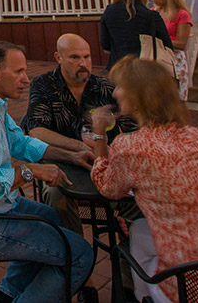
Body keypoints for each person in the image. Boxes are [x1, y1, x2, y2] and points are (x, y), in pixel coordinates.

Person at [90, 57, 198, 303]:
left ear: (139, 96)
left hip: (189, 287)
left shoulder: (129, 147)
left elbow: (108, 188)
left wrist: (99, 135)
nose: (115, 92)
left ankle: (142, 297)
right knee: (140, 229)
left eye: (120, 86)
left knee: (137, 235)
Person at [0, 40, 94, 303]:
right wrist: (30, 171)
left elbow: (20, 143)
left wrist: (71, 155)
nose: (26, 79)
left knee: (49, 216)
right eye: (19, 72)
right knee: (80, 255)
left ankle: (7, 294)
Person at [22, 34, 125, 229]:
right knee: (54, 194)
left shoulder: (105, 88)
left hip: (105, 164)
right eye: (75, 57)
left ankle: (125, 239)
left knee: (139, 190)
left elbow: (131, 128)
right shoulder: (45, 84)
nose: (83, 63)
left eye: (87, 57)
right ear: (58, 58)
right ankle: (74, 245)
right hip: (62, 163)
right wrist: (79, 147)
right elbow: (36, 131)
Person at [99, 0, 172, 68]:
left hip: (118, 65)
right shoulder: (150, 15)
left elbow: (105, 44)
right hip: (146, 65)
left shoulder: (109, 12)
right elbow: (166, 44)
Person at [148, 0, 192, 99]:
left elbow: (182, 43)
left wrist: (159, 41)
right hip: (155, 58)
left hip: (174, 58)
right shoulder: (152, 13)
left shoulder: (181, 14)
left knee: (176, 98)